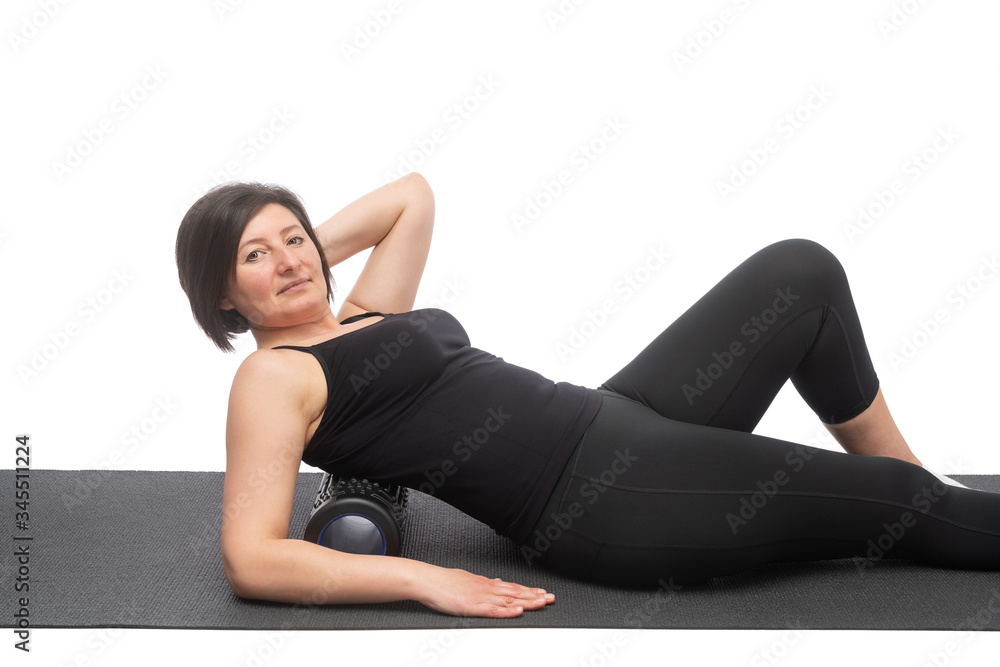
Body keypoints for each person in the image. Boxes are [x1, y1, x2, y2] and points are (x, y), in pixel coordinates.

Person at [175, 172, 1000, 618]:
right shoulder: (271, 376)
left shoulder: (360, 314)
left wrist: (298, 248)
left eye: (295, 238)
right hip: (605, 501)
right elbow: (252, 557)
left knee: (800, 272)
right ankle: (923, 500)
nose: (289, 260)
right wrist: (425, 579)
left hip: (617, 417)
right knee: (894, 504)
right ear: (221, 296)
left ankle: (921, 482)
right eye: (256, 257)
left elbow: (411, 196)